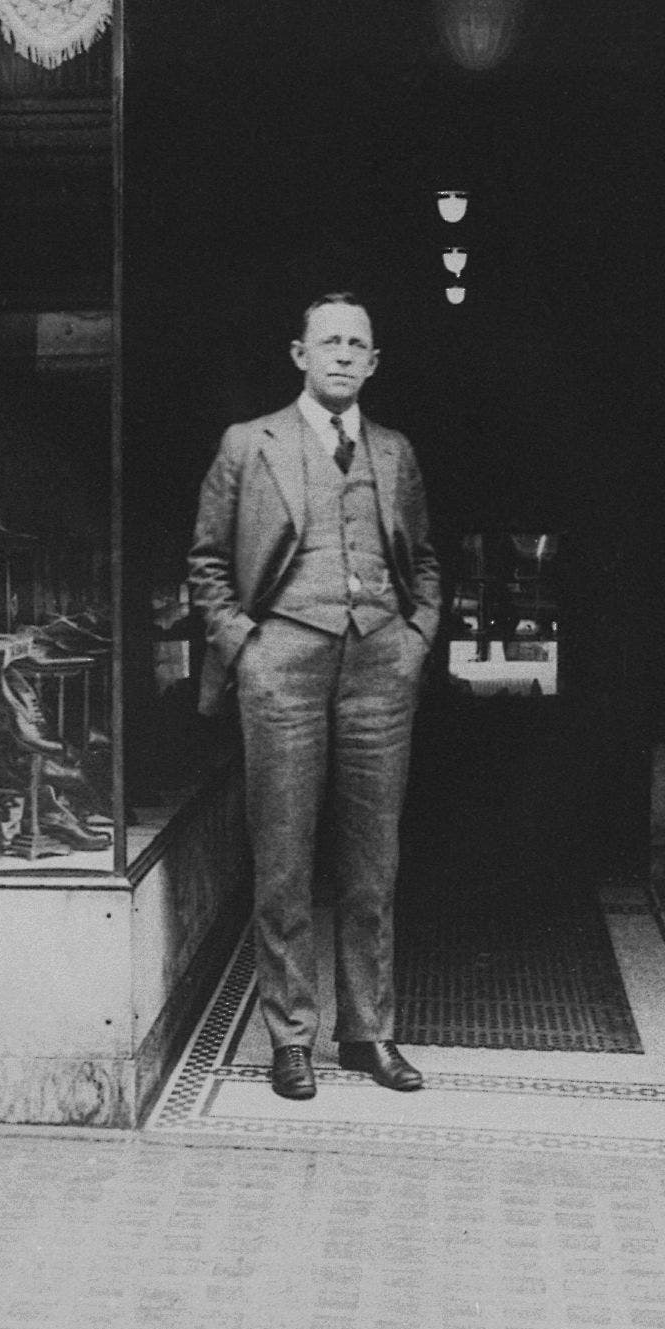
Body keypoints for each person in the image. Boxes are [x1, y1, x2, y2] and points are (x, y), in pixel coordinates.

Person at [189, 293, 442, 1100]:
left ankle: (369, 1034)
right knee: (284, 858)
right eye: (326, 341)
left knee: (373, 863)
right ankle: (290, 1038)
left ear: (373, 362)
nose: (340, 354)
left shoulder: (396, 452)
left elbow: (425, 559)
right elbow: (206, 561)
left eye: (356, 345)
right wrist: (246, 647)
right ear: (297, 353)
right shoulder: (247, 444)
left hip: (379, 664)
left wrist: (415, 637)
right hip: (282, 663)